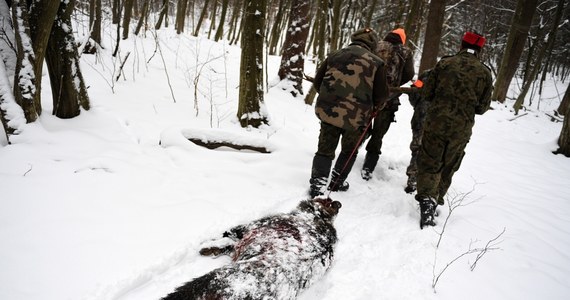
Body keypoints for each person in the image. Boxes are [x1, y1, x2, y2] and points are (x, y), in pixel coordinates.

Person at [416, 31, 493, 229]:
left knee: (429, 161)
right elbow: (483, 108)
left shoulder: (445, 64)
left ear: (461, 44)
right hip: (461, 128)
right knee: (449, 164)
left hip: (436, 123)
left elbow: (427, 92)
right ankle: (436, 198)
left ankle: (427, 200)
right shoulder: (484, 73)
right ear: (480, 49)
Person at [309, 28, 389, 198]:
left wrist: (329, 97)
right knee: (349, 150)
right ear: (373, 44)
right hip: (357, 117)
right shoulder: (377, 63)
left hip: (329, 111)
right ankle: (337, 182)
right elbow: (381, 95)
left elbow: (318, 83)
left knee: (324, 148)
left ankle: (318, 183)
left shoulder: (334, 55)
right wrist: (375, 107)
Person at [361, 28, 415, 180]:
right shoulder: (406, 52)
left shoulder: (376, 45)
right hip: (389, 98)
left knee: (360, 126)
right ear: (402, 40)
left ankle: (348, 157)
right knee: (378, 134)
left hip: (368, 94)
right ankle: (368, 168)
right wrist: (396, 83)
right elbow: (410, 74)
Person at [404, 69, 433, 194]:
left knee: (417, 149)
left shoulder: (427, 75)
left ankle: (413, 180)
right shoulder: (456, 79)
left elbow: (414, 95)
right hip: (445, 123)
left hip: (421, 117)